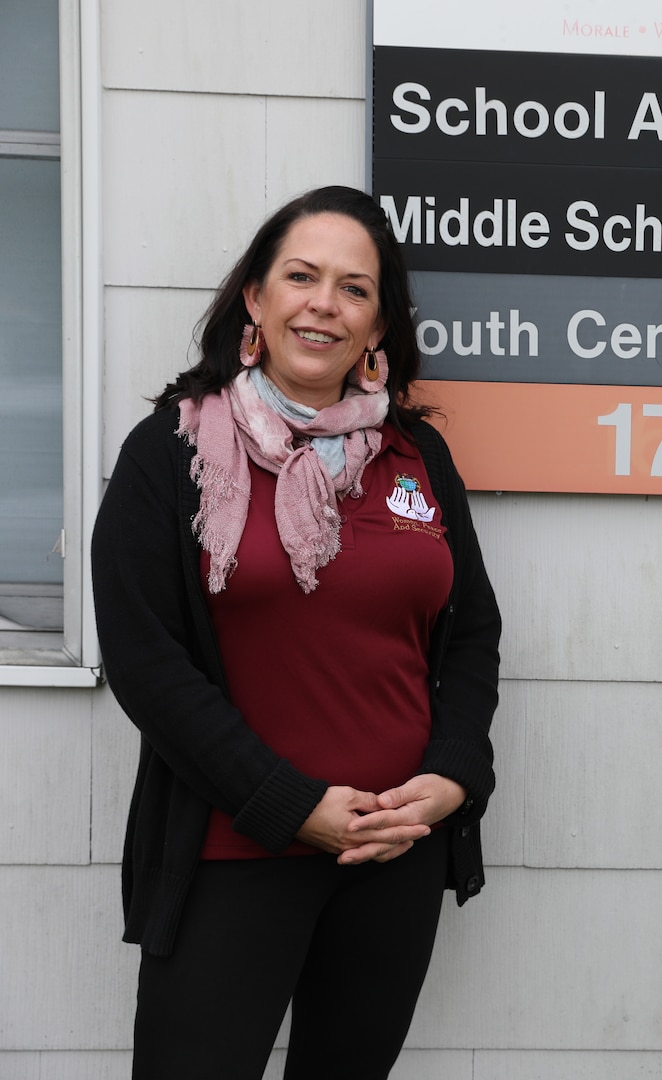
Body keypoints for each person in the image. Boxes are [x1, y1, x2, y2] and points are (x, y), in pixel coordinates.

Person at [91, 185, 501, 1078]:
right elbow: (145, 660)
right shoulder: (171, 452)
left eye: (355, 289)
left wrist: (451, 779)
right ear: (256, 299)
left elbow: (471, 634)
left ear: (379, 324)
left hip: (394, 849)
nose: (325, 304)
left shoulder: (417, 457)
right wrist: (290, 806)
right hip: (234, 851)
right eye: (302, 277)